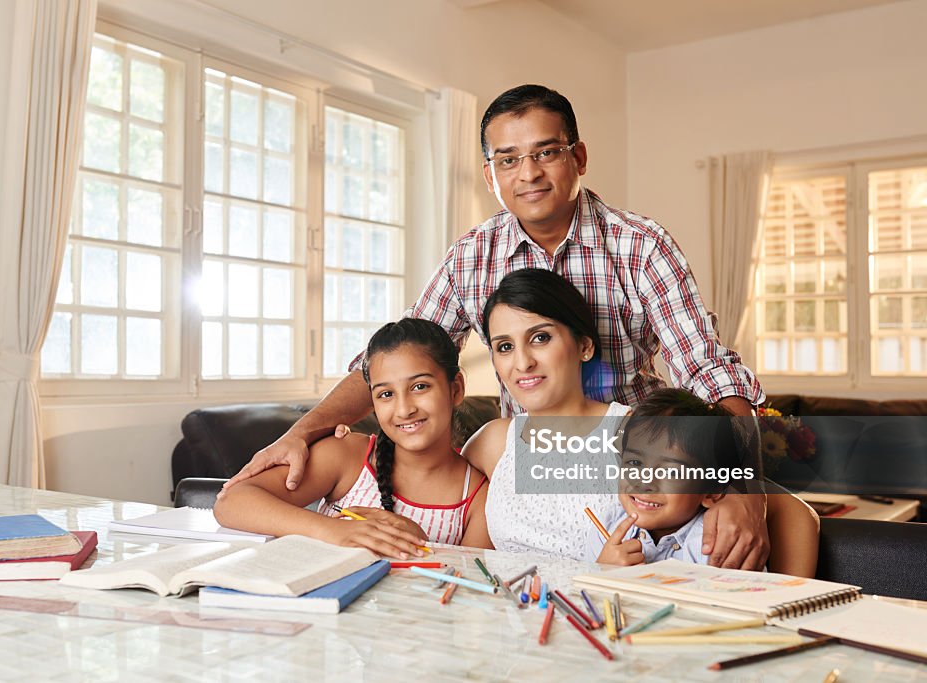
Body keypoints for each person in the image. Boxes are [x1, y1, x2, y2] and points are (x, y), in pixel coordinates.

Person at [222, 84, 768, 568]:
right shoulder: (472, 258)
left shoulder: (639, 245)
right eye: (508, 160)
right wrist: (301, 433)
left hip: (640, 464)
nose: (528, 173)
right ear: (490, 175)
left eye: (546, 153)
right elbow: (394, 361)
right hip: (526, 471)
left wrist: (741, 482)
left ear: (578, 157)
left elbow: (708, 370)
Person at [462, 269, 810, 568]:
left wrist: (790, 618)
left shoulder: (640, 432)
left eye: (540, 338)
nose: (522, 363)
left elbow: (795, 515)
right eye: (504, 347)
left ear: (584, 346)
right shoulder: (493, 441)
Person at [213, 318, 491, 556]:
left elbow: (470, 587)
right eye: (385, 394)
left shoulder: (479, 495)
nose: (405, 409)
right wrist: (333, 530)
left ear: (455, 390)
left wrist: (421, 544)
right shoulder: (347, 455)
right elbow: (231, 502)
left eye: (420, 387)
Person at [590, 389, 818, 577]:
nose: (644, 480)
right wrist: (602, 571)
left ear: (711, 491)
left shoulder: (717, 544)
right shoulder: (608, 523)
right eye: (635, 462)